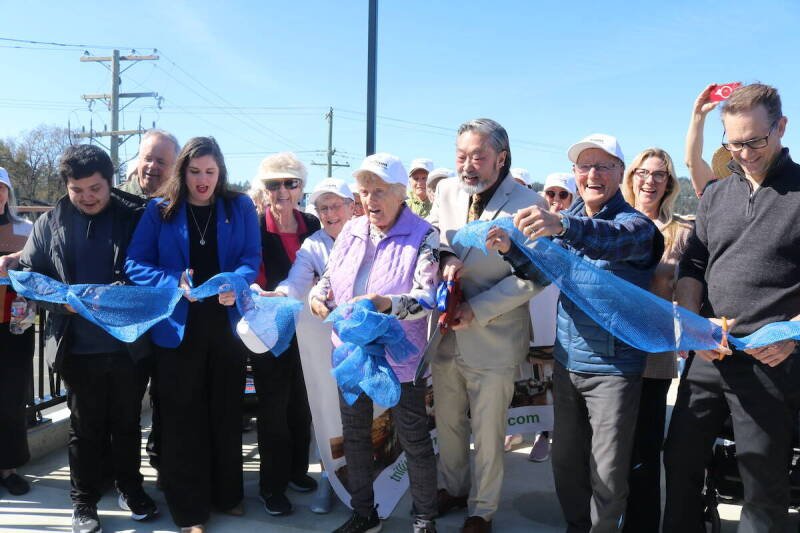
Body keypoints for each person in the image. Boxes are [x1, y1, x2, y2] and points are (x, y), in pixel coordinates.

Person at [663, 83, 800, 533]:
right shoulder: (717, 195)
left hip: (771, 362)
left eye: (754, 141)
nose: (744, 153)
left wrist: (794, 331)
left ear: (780, 127)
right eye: (734, 143)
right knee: (680, 459)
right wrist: (690, 318)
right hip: (710, 353)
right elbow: (694, 263)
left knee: (761, 481)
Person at [511, 133, 663, 532]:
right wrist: (509, 250)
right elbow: (540, 273)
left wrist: (562, 224)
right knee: (565, 464)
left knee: (608, 472)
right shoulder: (568, 224)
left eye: (603, 166)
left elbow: (610, 241)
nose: (592, 174)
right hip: (567, 364)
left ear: (620, 173)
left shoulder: (636, 226)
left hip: (614, 371)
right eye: (584, 166)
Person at [15, 145, 157, 533]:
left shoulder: (134, 218)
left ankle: (131, 488)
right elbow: (31, 277)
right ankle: (83, 502)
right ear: (67, 186)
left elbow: (151, 270)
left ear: (110, 183)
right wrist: (65, 305)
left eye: (95, 188)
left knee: (127, 423)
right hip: (76, 346)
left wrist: (120, 294)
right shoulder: (49, 223)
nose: (87, 197)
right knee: (85, 428)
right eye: (78, 189)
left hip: (129, 345)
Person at [125, 136, 260, 533]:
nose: (203, 180)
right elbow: (135, 263)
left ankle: (227, 495)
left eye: (210, 172)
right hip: (177, 328)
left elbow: (251, 259)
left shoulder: (240, 207)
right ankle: (190, 511)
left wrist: (236, 282)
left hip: (225, 324)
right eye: (195, 171)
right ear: (183, 171)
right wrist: (172, 282)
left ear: (221, 173)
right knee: (184, 418)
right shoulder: (159, 210)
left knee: (224, 410)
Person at [310, 152, 439, 533]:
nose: (370, 201)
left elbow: (427, 297)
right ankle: (365, 515)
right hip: (352, 352)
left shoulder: (423, 234)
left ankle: (424, 519)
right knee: (355, 438)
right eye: (364, 192)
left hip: (402, 356)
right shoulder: (351, 230)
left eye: (379, 191)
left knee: (414, 439)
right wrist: (318, 296)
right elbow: (329, 277)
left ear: (401, 193)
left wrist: (386, 304)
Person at [429, 118, 547, 533]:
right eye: (461, 155)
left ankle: (482, 510)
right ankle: (453, 487)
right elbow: (435, 242)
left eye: (478, 156)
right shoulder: (444, 190)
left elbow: (535, 275)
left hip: (493, 334)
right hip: (445, 333)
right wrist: (444, 260)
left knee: (488, 429)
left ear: (501, 157)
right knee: (447, 421)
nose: (468, 165)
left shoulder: (531, 204)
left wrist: (478, 310)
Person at [270, 177, 355, 515]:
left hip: (365, 343)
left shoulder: (370, 238)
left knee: (365, 417)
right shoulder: (313, 246)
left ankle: (363, 485)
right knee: (326, 413)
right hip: (324, 342)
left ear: (352, 206)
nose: (330, 213)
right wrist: (277, 295)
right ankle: (330, 482)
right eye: (322, 208)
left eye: (336, 205)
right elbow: (296, 281)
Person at [620, 148, 692, 532]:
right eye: (642, 172)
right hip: (607, 354)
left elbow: (688, 289)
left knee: (644, 452)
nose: (649, 180)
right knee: (604, 450)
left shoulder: (681, 232)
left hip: (653, 355)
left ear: (669, 183)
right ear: (630, 177)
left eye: (659, 174)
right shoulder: (611, 224)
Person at [248, 152, 320, 516]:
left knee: (302, 406)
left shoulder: (312, 223)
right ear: (263, 189)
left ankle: (296, 471)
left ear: (301, 187)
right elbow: (251, 276)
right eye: (273, 184)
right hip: (270, 332)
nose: (282, 191)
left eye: (290, 183)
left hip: (310, 330)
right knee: (273, 410)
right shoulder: (255, 228)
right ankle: (271, 485)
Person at [522, 172, 578, 463]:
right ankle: (539, 432)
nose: (555, 200)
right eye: (551, 193)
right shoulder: (531, 230)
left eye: (563, 194)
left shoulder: (579, 230)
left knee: (560, 381)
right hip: (537, 315)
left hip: (565, 319)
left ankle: (556, 433)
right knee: (535, 379)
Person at [0, 167, 34, 497]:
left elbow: (40, 263)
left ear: (8, 193)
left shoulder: (26, 229)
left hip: (15, 325)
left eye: (1, 188)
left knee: (11, 398)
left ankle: (8, 467)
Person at [120, 129, 180, 198]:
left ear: (174, 168)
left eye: (160, 162)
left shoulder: (181, 203)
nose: (152, 166)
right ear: (139, 160)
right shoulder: (114, 198)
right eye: (148, 159)